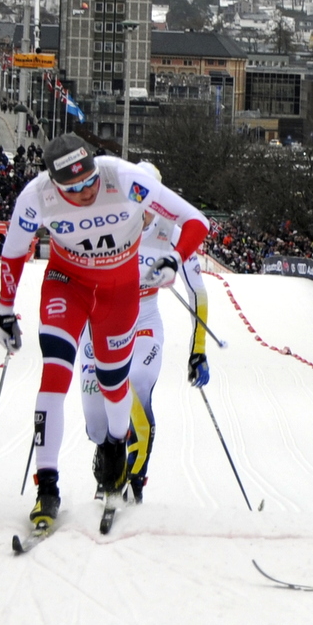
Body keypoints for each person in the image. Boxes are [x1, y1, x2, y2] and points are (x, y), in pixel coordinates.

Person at [0, 134, 209, 533]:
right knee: (54, 376)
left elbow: (197, 221)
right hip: (67, 282)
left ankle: (114, 450)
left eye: (89, 182)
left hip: (118, 291)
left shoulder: (125, 178)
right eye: (71, 189)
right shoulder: (36, 195)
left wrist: (174, 259)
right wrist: (5, 309)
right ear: (53, 182)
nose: (83, 193)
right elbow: (13, 250)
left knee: (115, 385)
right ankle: (47, 487)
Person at [75, 162, 210, 504]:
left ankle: (134, 471)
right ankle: (107, 456)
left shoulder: (172, 233)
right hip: (101, 323)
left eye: (150, 206)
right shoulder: (109, 224)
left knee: (134, 382)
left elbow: (199, 292)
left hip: (145, 318)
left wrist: (198, 350)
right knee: (96, 420)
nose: (144, 214)